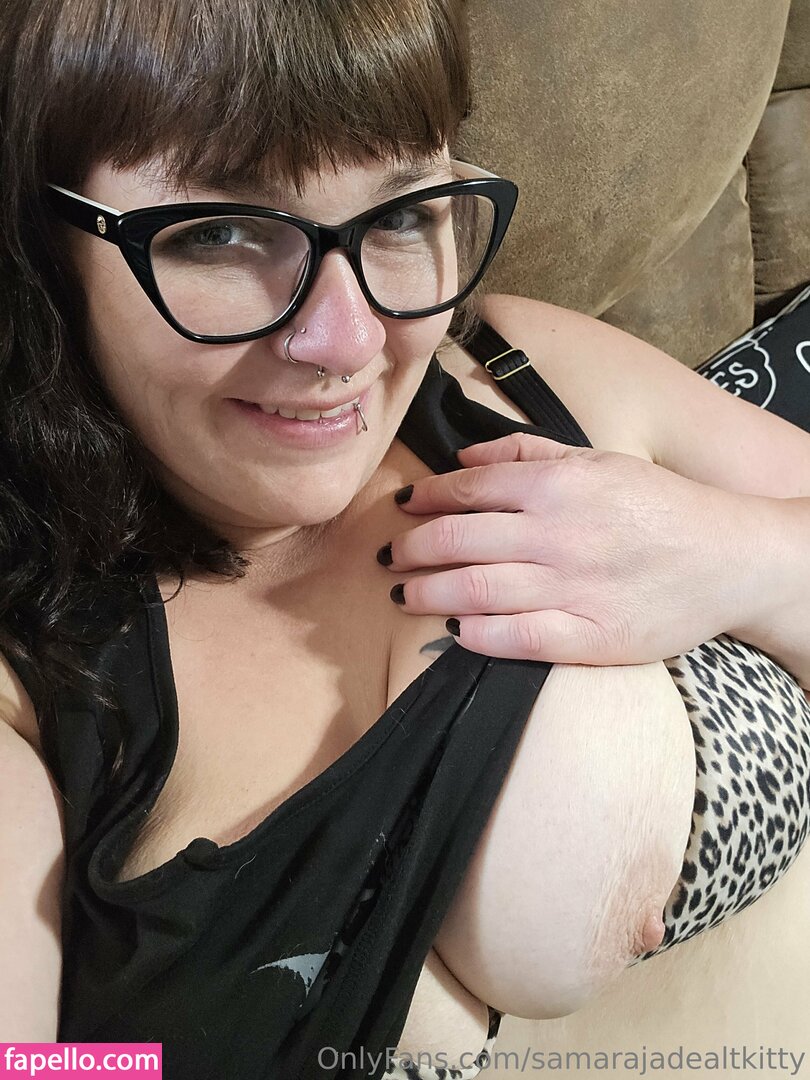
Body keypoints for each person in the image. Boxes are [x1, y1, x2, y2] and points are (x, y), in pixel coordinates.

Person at [0, 2, 809, 1078]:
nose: (348, 341)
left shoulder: (525, 370)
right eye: (220, 233)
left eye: (400, 215)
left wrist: (740, 557)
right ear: (48, 246)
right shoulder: (36, 686)